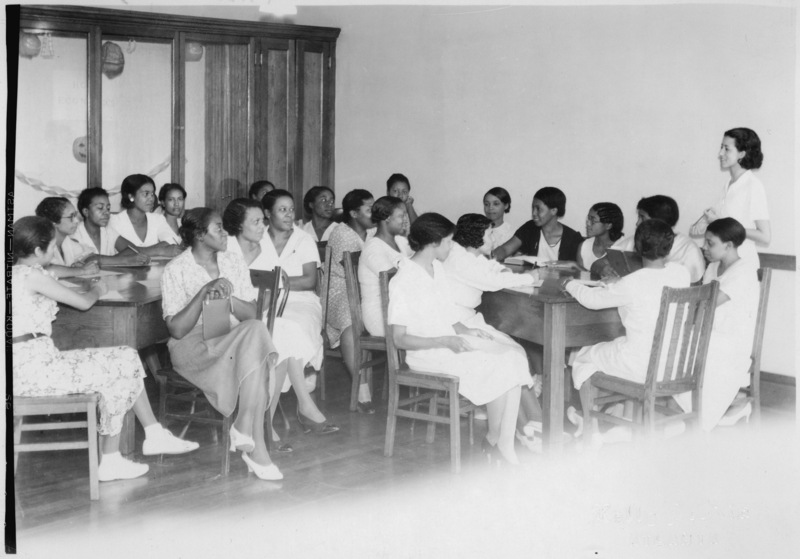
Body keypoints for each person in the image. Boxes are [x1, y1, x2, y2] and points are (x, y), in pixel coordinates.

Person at [12, 216, 198, 482]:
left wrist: (79, 272)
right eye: (52, 248)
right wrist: (99, 288)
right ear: (38, 251)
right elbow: (83, 303)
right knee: (121, 362)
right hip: (35, 371)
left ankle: (146, 438)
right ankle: (117, 455)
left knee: (123, 356)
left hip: (23, 367)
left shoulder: (17, 272)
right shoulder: (33, 276)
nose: (55, 252)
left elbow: (54, 270)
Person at [387, 213, 532, 465]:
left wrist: (466, 330)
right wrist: (445, 341)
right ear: (434, 243)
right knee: (498, 364)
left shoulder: (437, 269)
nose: (451, 247)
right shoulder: (403, 280)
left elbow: (447, 314)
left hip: (449, 341)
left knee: (511, 357)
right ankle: (497, 442)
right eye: (448, 242)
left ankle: (500, 441)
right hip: (427, 352)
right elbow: (400, 339)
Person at [160, 208, 283, 480]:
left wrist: (229, 300)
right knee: (258, 356)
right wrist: (203, 292)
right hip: (193, 344)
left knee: (255, 333)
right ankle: (254, 447)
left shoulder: (233, 262)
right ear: (200, 236)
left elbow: (251, 315)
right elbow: (177, 330)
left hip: (227, 334)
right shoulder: (176, 269)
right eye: (218, 228)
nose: (225, 232)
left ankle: (243, 429)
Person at [563, 219, 691, 438]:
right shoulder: (682, 274)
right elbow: (649, 285)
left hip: (641, 366)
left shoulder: (632, 284)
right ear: (669, 246)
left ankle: (589, 429)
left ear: (637, 247)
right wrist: (619, 282)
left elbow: (592, 299)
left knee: (582, 357)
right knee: (618, 346)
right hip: (675, 365)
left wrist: (569, 284)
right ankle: (626, 423)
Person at [223, 197, 334, 446]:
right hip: (226, 317)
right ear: (240, 225)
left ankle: (266, 422)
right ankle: (292, 410)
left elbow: (268, 291)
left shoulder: (265, 252)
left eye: (262, 222)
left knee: (283, 336)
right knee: (281, 334)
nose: (262, 227)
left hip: (255, 313)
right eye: (258, 221)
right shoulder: (227, 248)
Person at [442, 213, 542, 451]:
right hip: (452, 324)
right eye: (488, 233)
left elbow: (495, 272)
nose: (493, 237)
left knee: (516, 351)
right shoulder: (460, 259)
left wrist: (514, 276)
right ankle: (528, 427)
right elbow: (493, 281)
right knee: (510, 356)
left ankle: (533, 425)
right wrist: (531, 277)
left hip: (468, 320)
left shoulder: (470, 255)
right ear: (475, 236)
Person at [257, 190, 339, 434]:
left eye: (291, 209)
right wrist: (274, 285)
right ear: (267, 213)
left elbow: (309, 281)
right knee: (282, 331)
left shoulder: (303, 240)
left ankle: (268, 419)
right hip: (268, 302)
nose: (289, 214)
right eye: (282, 209)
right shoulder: (257, 239)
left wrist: (275, 280)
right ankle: (304, 404)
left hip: (302, 302)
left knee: (289, 327)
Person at [674, 218, 760, 430]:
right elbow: (699, 304)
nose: (704, 247)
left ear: (728, 245)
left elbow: (707, 302)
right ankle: (682, 412)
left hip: (732, 341)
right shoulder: (712, 267)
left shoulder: (744, 270)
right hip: (710, 334)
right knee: (677, 343)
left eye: (710, 243)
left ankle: (694, 415)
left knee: (686, 348)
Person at [326, 189, 377, 413]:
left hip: (362, 290)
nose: (374, 213)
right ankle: (361, 387)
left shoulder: (372, 233)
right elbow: (353, 275)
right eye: (369, 209)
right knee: (352, 320)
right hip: (339, 291)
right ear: (354, 213)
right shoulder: (342, 233)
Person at [690, 127, 771, 270]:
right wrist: (708, 224)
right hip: (719, 264)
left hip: (741, 264)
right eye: (721, 147)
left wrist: (723, 225)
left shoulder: (753, 186)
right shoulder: (728, 185)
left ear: (742, 153)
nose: (720, 153)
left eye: (726, 149)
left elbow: (765, 237)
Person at [605, 195, 705, 283]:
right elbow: (602, 261)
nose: (637, 223)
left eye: (642, 217)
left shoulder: (688, 249)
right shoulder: (638, 239)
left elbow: (695, 287)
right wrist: (602, 269)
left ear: (658, 222)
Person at [359, 196, 412, 338]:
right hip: (381, 315)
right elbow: (395, 280)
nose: (406, 219)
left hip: (397, 308)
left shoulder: (399, 241)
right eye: (401, 215)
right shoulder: (373, 248)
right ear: (387, 218)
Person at [491, 187, 583, 264]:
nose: (534, 213)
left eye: (538, 209)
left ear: (554, 210)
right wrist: (486, 260)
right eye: (533, 208)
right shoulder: (530, 228)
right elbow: (505, 249)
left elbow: (578, 270)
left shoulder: (573, 238)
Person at [74, 187, 151, 266]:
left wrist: (111, 261)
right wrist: (123, 260)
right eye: (100, 208)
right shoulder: (75, 233)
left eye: (108, 208)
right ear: (86, 212)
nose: (106, 212)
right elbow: (89, 260)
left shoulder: (107, 230)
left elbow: (132, 249)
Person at [108, 174, 183, 253]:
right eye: (145, 194)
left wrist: (140, 251)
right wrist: (161, 250)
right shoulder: (115, 221)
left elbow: (171, 242)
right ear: (131, 197)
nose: (151, 198)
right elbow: (128, 252)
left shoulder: (157, 219)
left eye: (152, 194)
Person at [34, 197, 100, 277]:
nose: (76, 221)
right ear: (54, 222)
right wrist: (82, 270)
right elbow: (49, 270)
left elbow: (90, 255)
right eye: (71, 217)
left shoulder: (66, 241)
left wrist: (80, 264)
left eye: (75, 215)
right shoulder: (42, 243)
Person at [576, 202, 624, 271]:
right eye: (588, 218)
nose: (588, 223)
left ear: (608, 225)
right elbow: (580, 277)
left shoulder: (624, 246)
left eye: (593, 220)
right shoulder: (584, 246)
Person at [483, 187, 514, 252]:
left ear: (506, 205)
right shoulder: (478, 229)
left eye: (496, 204)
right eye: (486, 204)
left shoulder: (511, 234)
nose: (490, 208)